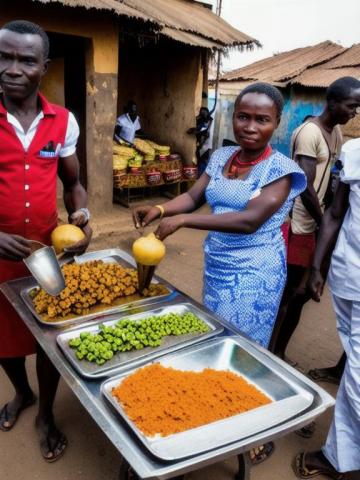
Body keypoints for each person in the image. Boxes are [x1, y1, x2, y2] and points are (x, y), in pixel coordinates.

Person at [133, 82, 307, 465]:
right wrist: (161, 210)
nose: (249, 126)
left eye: (262, 120)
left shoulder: (281, 170)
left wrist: (184, 221)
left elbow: (249, 220)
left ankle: (253, 428)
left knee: (245, 349)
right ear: (233, 116)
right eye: (243, 116)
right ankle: (222, 408)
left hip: (255, 273)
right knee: (220, 339)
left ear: (276, 124)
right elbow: (194, 196)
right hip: (219, 266)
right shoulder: (222, 156)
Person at [0, 20, 92, 462]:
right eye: (4, 57)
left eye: (25, 60)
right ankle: (22, 393)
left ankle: (46, 413)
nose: (12, 69)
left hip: (48, 254)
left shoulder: (63, 122)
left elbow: (73, 183)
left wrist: (82, 217)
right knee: (3, 339)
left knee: (49, 338)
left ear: (44, 66)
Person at [269, 77, 360, 361]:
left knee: (300, 294)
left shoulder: (335, 134)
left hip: (315, 222)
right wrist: (324, 222)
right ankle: (272, 353)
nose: (354, 113)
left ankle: (278, 351)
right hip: (300, 223)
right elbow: (305, 187)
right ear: (332, 103)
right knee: (289, 294)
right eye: (351, 106)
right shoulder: (309, 133)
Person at [294, 137, 360, 480]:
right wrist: (317, 266)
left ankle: (338, 459)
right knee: (354, 372)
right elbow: (336, 213)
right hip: (349, 276)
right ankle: (339, 457)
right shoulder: (354, 152)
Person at [187, 106, 214, 174]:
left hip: (205, 145)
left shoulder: (209, 120)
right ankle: (200, 175)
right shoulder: (201, 119)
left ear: (207, 113)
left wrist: (193, 130)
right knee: (200, 160)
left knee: (203, 161)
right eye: (201, 113)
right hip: (201, 144)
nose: (202, 115)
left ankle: (201, 176)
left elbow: (204, 131)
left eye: (204, 113)